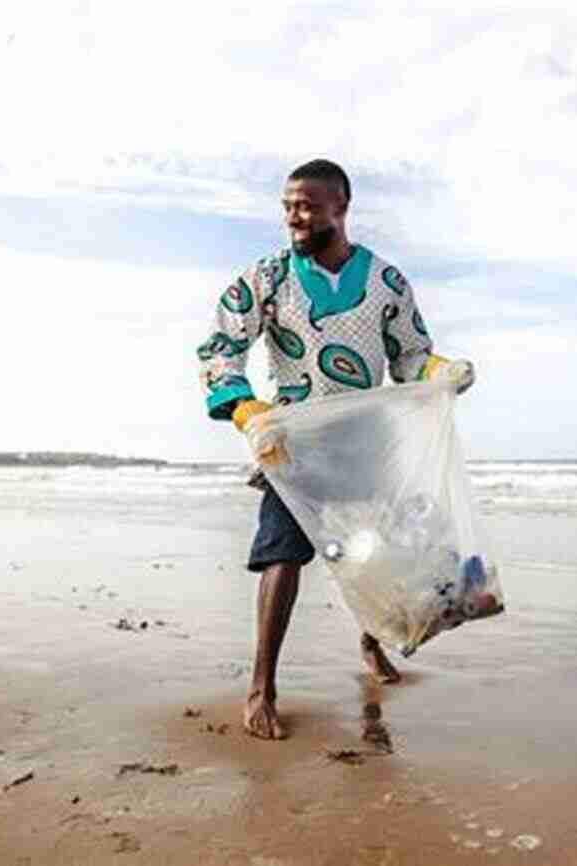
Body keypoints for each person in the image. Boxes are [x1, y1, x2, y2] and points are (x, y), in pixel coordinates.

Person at [198, 158, 477, 740]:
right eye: (287, 206)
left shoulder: (385, 282)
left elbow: (408, 357)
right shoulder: (267, 277)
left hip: (365, 446)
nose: (294, 217)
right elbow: (220, 349)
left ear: (340, 208)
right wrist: (248, 411)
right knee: (281, 557)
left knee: (370, 555)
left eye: (306, 205)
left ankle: (371, 645)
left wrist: (443, 368)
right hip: (291, 446)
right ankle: (261, 686)